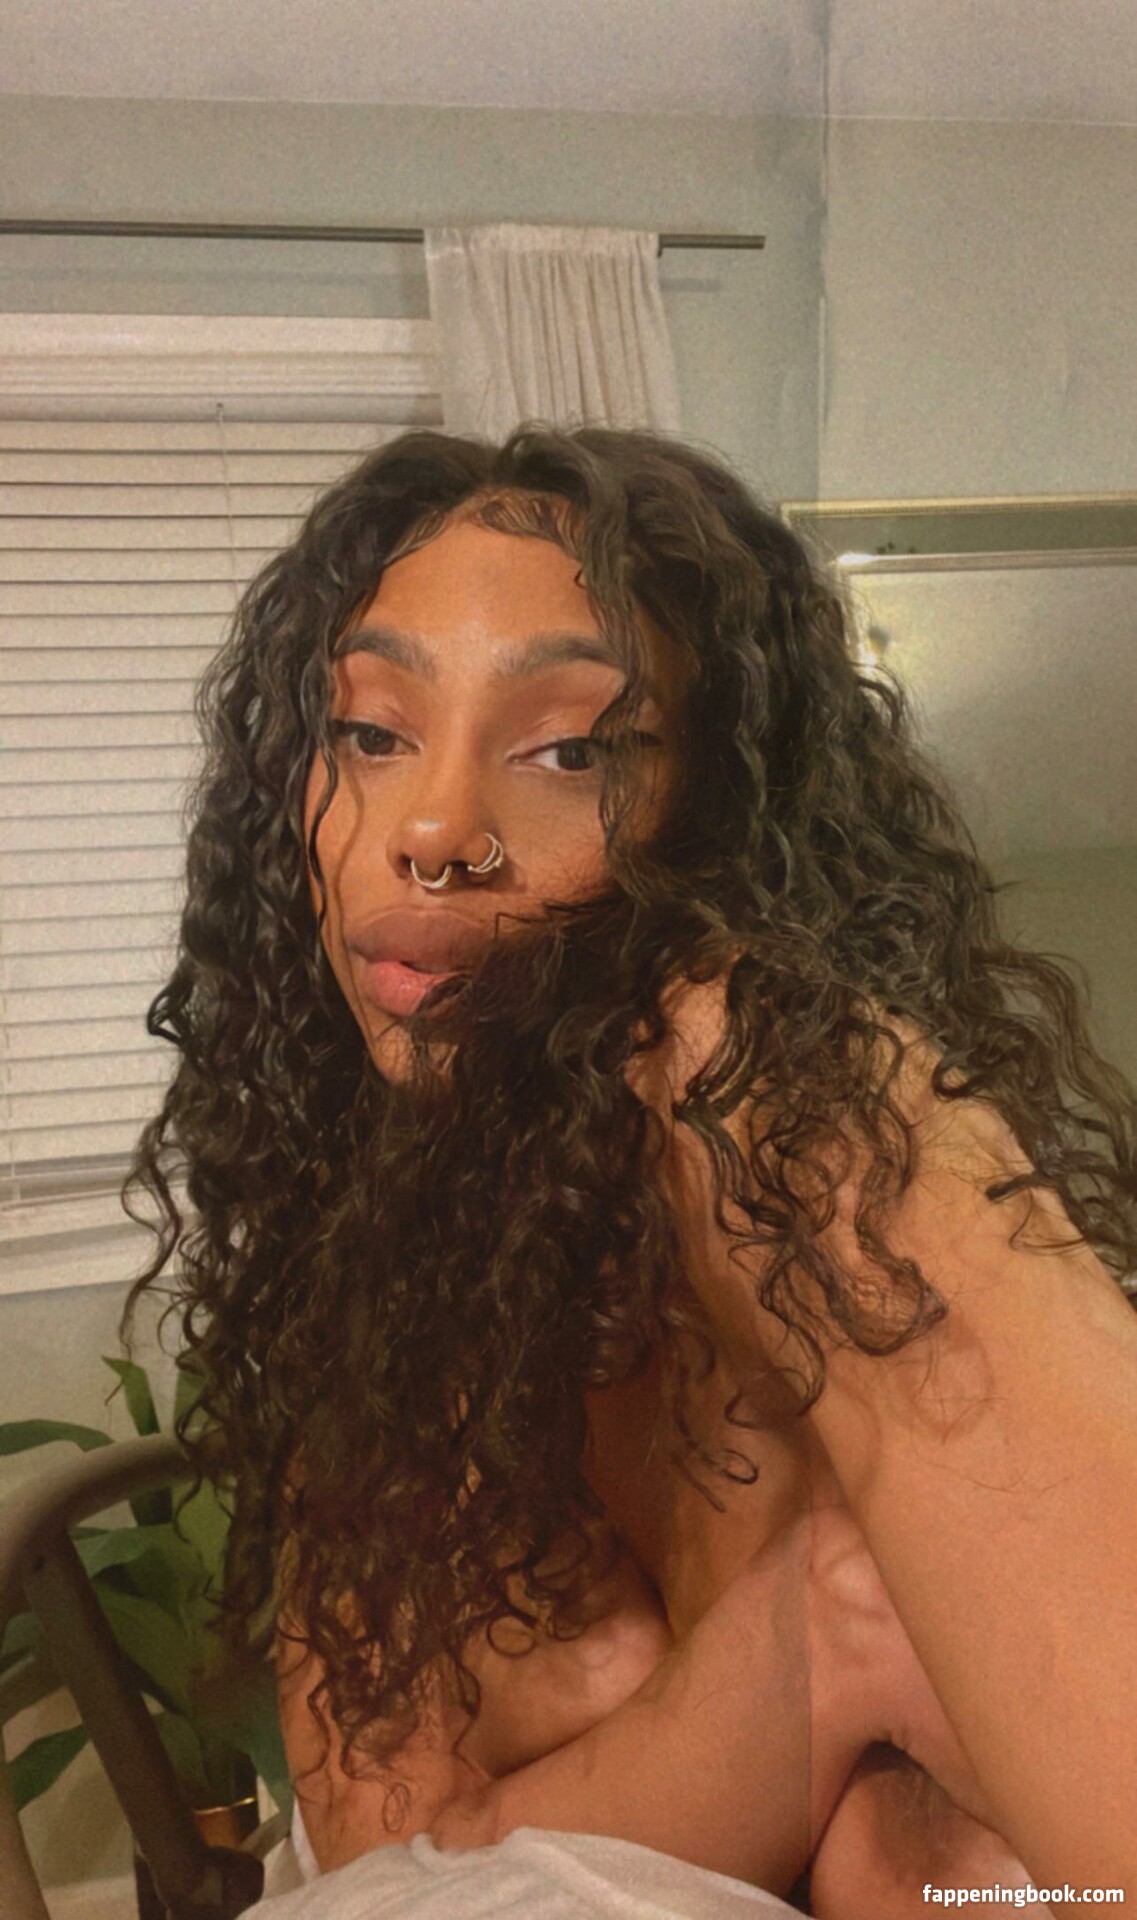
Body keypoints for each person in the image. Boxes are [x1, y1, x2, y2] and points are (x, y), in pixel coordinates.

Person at [123, 426, 1137, 1916]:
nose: (431, 832)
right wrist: (825, 1638)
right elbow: (372, 1850)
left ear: (718, 819)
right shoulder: (388, 1244)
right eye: (370, 732)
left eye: (573, 751)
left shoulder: (774, 1104)